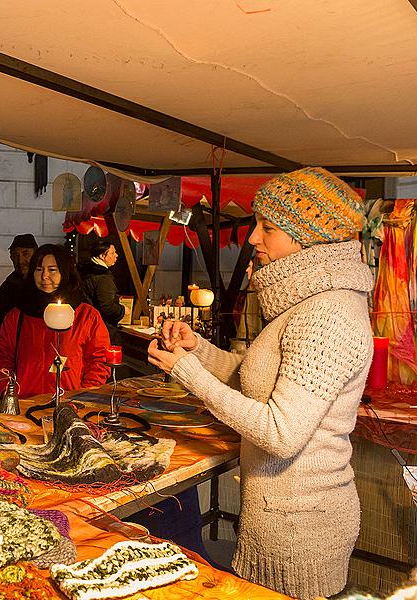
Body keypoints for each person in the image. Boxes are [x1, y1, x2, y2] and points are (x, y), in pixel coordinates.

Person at [147, 167, 373, 599]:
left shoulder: (326, 315)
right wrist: (198, 351)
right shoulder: (306, 302)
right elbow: (256, 380)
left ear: (307, 238)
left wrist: (187, 374)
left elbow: (282, 432)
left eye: (267, 228)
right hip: (277, 517)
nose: (252, 238)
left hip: (301, 528)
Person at [0, 244, 110, 398]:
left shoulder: (86, 316)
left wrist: (83, 395)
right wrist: (9, 391)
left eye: (52, 270)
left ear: (65, 271)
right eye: (39, 269)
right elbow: (2, 356)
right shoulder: (17, 316)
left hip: (70, 404)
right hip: (25, 403)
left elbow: (99, 361)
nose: (44, 276)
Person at [78, 239, 126, 344]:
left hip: (85, 324)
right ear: (101, 256)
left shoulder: (84, 272)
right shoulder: (102, 277)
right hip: (102, 328)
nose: (116, 255)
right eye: (112, 253)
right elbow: (107, 307)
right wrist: (122, 310)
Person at [0, 233, 37, 334]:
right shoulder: (6, 288)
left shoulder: (44, 284)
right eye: (16, 255)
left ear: (36, 254)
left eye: (25, 254)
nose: (20, 261)